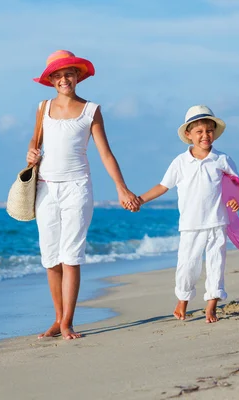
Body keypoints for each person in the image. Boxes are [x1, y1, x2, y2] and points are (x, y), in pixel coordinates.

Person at [26, 50, 141, 339]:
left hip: (77, 187)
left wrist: (121, 187)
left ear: (78, 76)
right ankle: (56, 319)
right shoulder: (43, 108)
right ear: (51, 79)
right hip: (45, 188)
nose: (64, 79)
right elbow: (35, 142)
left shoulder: (92, 110)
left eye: (69, 73)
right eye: (58, 75)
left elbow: (105, 153)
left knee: (70, 256)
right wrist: (30, 153)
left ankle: (67, 322)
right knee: (50, 258)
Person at [136, 105, 239, 323]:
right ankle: (182, 299)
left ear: (215, 132)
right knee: (187, 265)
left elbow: (238, 188)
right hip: (190, 224)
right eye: (199, 131)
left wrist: (235, 202)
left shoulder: (223, 160)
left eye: (209, 131)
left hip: (217, 221)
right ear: (188, 134)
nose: (205, 136)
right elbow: (163, 186)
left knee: (216, 265)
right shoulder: (180, 162)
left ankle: (211, 306)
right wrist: (140, 199)